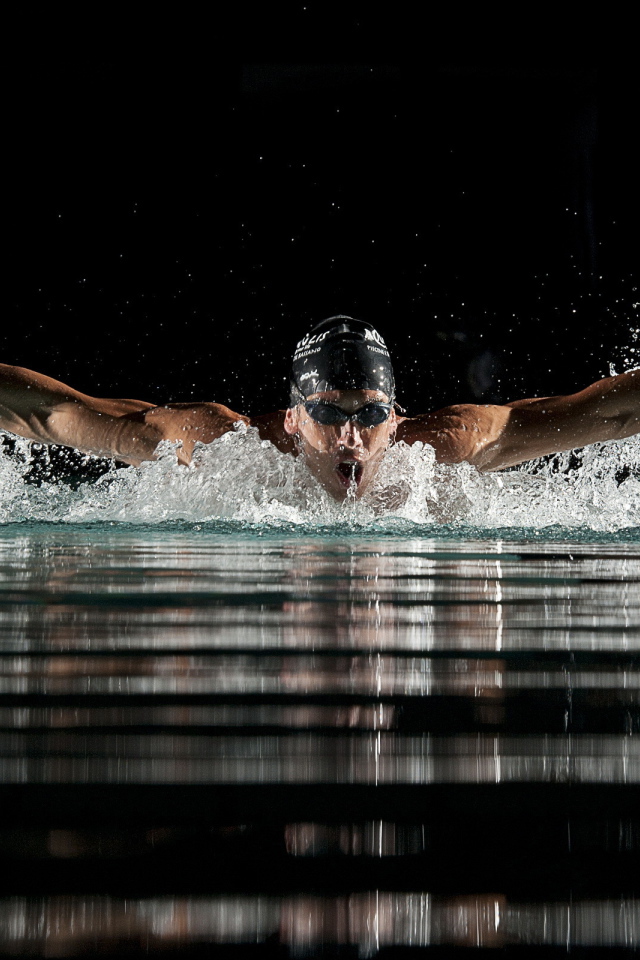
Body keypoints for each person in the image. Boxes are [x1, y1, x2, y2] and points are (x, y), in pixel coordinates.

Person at [0, 316, 638, 500]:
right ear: (292, 419)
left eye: (369, 415)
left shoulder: (446, 445)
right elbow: (54, 413)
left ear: (397, 418)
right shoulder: (222, 449)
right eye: (329, 415)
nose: (351, 438)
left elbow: (603, 415)